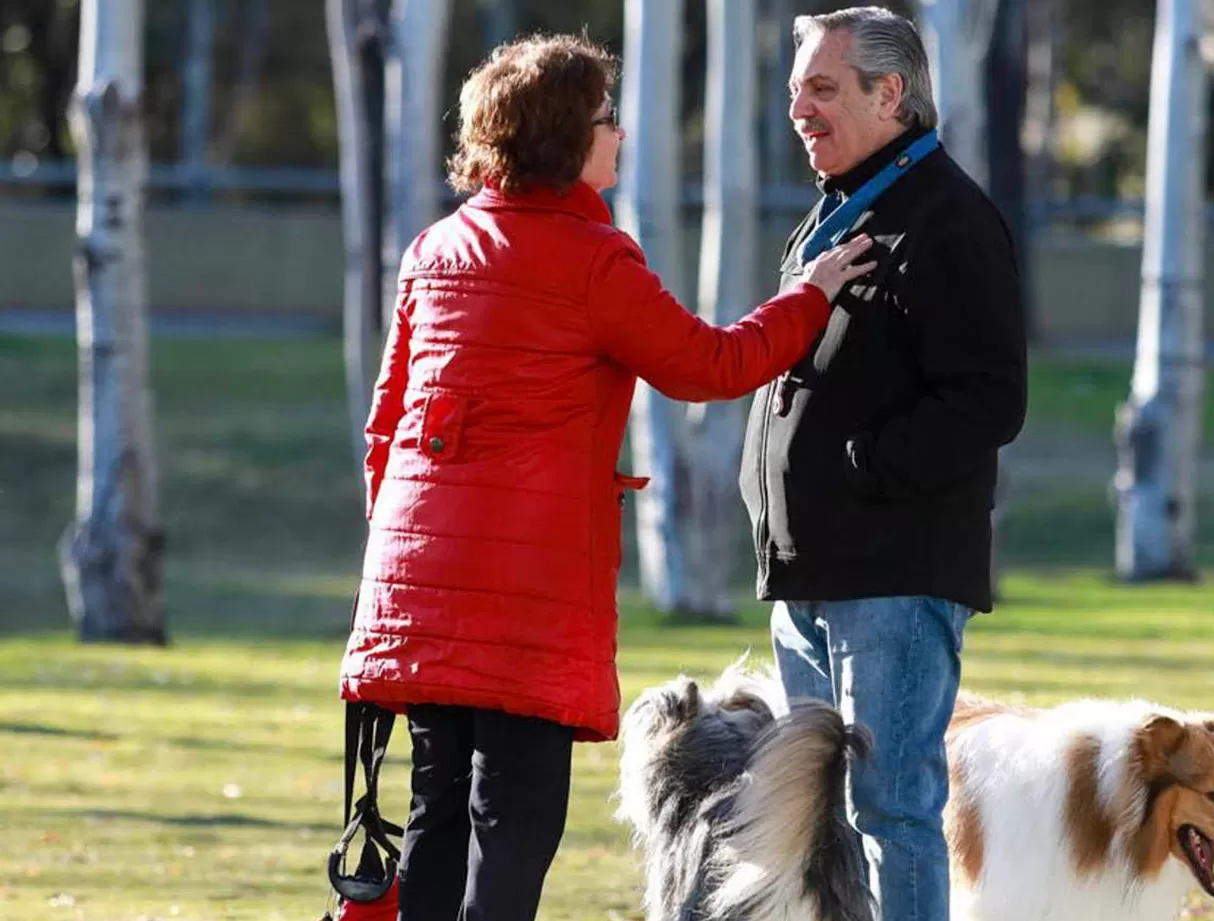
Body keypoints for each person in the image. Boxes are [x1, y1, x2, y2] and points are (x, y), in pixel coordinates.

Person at [338, 34, 873, 921]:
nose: (619, 135)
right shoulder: (592, 261)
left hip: (418, 585)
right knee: (514, 817)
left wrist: (404, 560)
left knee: (436, 811)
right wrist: (810, 296)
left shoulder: (434, 250)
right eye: (606, 119)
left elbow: (384, 428)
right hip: (527, 587)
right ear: (566, 139)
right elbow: (711, 363)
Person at [738, 7, 1028, 921]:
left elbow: (988, 400)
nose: (801, 111)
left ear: (890, 93)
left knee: (891, 809)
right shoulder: (837, 211)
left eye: (823, 89)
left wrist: (858, 469)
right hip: (809, 577)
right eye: (796, 92)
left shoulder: (949, 218)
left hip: (892, 578)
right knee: (819, 821)